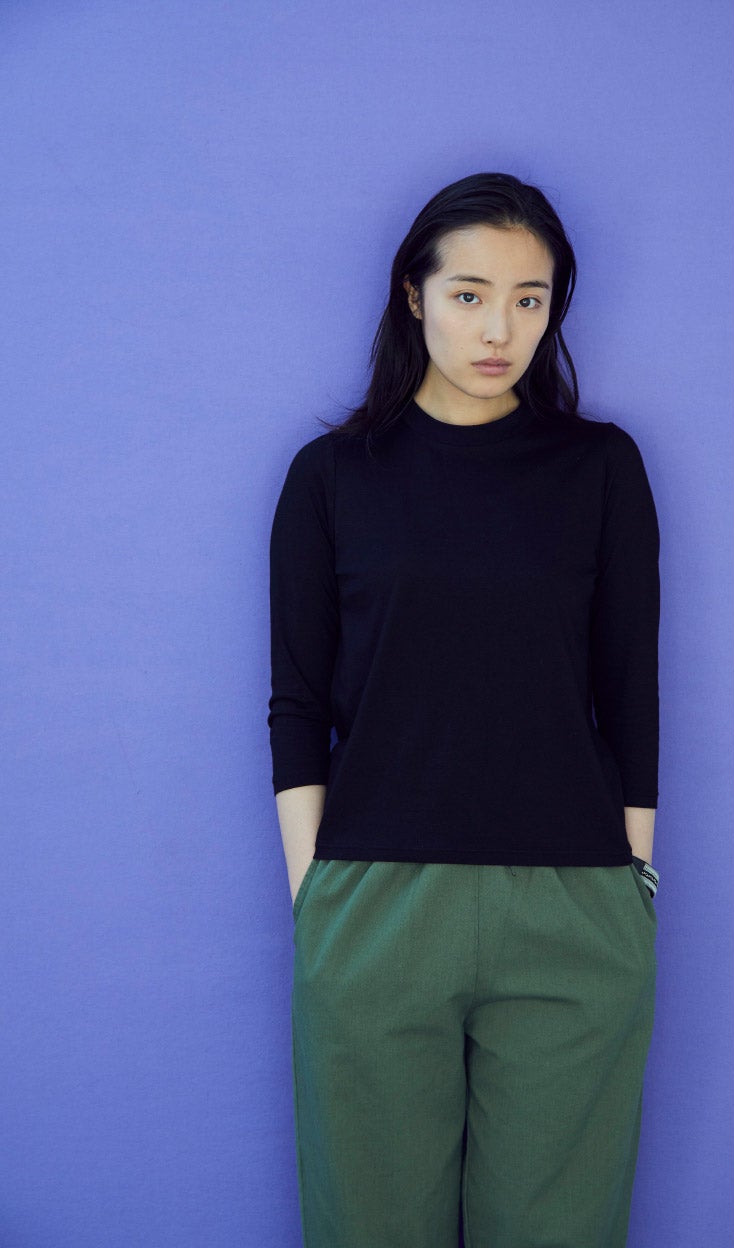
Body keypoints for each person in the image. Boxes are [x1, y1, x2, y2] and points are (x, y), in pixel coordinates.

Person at [268, 170, 661, 1248]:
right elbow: (297, 705)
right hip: (374, 905)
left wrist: (633, 881)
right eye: (470, 294)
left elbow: (630, 690)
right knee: (370, 1229)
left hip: (574, 906)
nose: (500, 329)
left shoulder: (601, 469)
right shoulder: (332, 478)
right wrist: (317, 899)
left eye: (530, 300)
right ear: (414, 294)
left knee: (557, 1231)